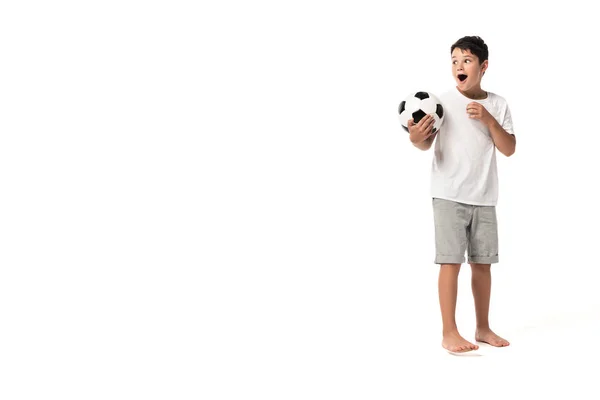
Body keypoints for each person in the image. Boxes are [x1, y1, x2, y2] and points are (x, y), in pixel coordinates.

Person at [407, 36, 516, 354]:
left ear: (483, 66)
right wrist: (416, 138)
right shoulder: (437, 103)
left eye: (466, 60)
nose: (459, 66)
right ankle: (449, 331)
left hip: (484, 196)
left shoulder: (498, 103)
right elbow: (425, 143)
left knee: (483, 265)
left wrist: (488, 118)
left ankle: (482, 328)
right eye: (454, 60)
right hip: (448, 195)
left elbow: (508, 149)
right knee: (450, 262)